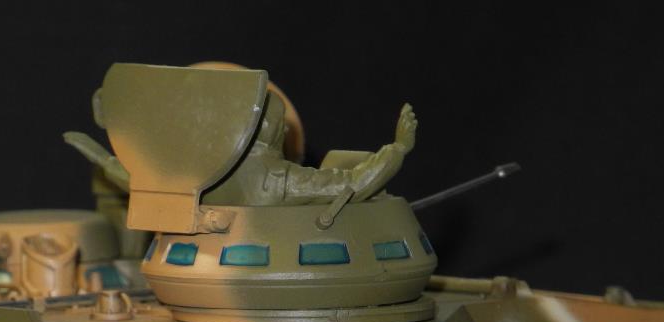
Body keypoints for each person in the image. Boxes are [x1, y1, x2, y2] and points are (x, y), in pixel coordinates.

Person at [64, 89, 416, 208]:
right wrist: (398, 149)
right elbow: (352, 183)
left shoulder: (205, 170)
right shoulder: (278, 178)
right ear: (275, 129)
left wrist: (106, 160)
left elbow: (152, 186)